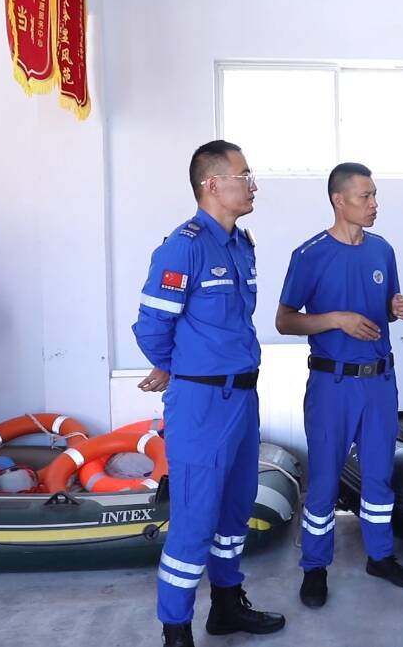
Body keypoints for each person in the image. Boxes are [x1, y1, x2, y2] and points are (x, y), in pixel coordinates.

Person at [132, 140, 285, 647]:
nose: (253, 185)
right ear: (213, 184)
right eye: (245, 175)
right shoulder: (184, 247)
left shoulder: (241, 244)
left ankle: (226, 605)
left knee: (235, 509)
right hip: (201, 404)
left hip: (242, 398)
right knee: (194, 519)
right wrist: (175, 367)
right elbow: (152, 326)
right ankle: (176, 629)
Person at [275, 162, 403, 609]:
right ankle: (315, 567)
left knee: (379, 474)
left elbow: (386, 307)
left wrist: (398, 307)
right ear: (339, 201)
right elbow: (284, 321)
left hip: (380, 383)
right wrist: (336, 319)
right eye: (365, 196)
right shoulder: (310, 255)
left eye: (374, 195)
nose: (374, 204)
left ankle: (381, 556)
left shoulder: (382, 250)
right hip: (332, 385)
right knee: (323, 480)